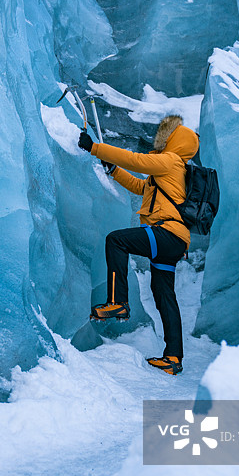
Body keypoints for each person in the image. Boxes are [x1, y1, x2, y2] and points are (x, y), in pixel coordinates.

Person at [78, 114, 199, 376]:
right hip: (174, 241)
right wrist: (113, 170)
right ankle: (173, 358)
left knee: (116, 240)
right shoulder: (174, 170)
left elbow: (137, 160)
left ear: (173, 139)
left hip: (165, 233)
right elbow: (140, 186)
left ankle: (117, 302)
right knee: (164, 294)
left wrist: (94, 147)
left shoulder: (169, 161)